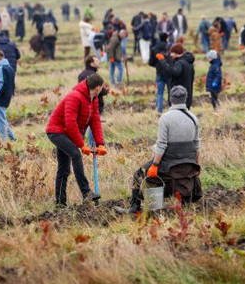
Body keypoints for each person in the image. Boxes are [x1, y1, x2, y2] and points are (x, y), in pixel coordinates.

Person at [114, 86, 201, 214]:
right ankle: (184, 207)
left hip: (168, 167)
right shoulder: (194, 119)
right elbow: (197, 145)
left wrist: (154, 165)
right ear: (185, 99)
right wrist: (197, 165)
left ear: (170, 99)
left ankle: (135, 208)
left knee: (138, 174)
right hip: (188, 166)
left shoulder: (166, 118)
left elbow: (161, 145)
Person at [45, 73, 107, 207]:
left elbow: (95, 120)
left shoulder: (93, 99)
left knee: (64, 168)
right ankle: (86, 193)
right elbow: (70, 123)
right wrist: (81, 145)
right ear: (97, 88)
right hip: (56, 131)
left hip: (67, 133)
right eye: (102, 87)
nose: (102, 90)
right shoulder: (75, 97)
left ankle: (60, 203)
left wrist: (100, 143)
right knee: (76, 155)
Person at [158, 43, 195, 109]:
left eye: (172, 52)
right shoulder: (188, 63)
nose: (170, 54)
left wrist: (162, 62)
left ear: (176, 53)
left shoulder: (180, 63)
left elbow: (174, 72)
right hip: (187, 96)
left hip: (179, 97)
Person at [149, 33, 172, 113]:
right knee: (171, 92)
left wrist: (157, 65)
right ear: (166, 38)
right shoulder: (169, 47)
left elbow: (150, 62)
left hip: (159, 72)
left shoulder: (154, 48)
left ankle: (159, 110)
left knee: (160, 93)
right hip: (169, 72)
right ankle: (171, 109)